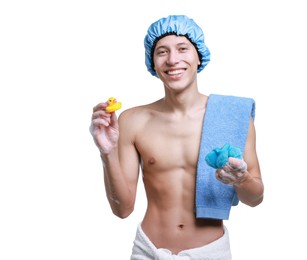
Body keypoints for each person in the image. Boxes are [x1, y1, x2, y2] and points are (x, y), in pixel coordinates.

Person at [89, 15, 264, 259]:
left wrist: (242, 179)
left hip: (209, 252)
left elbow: (256, 198)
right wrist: (107, 153)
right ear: (152, 61)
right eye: (162, 51)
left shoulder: (233, 115)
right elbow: (123, 209)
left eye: (183, 49)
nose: (173, 60)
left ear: (198, 55)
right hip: (148, 250)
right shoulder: (132, 120)